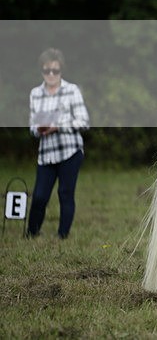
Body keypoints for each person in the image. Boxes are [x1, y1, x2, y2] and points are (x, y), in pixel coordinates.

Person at [27, 48, 90, 239]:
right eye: (47, 70)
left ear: (61, 70)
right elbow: (32, 126)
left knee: (65, 193)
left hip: (70, 151)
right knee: (39, 196)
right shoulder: (35, 94)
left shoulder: (72, 91)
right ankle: (32, 233)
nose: (51, 74)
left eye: (55, 70)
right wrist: (39, 129)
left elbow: (84, 122)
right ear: (42, 70)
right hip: (46, 154)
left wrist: (58, 126)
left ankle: (62, 235)